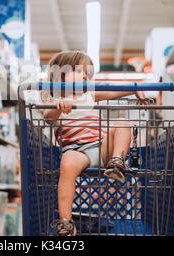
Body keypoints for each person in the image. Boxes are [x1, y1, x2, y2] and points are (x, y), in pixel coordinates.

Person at [41, 50, 146, 236]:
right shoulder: (55, 100)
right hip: (78, 152)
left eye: (87, 74)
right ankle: (66, 222)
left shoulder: (88, 95)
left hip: (101, 146)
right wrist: (59, 107)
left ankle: (117, 162)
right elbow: (48, 118)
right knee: (67, 163)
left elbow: (110, 91)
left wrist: (133, 88)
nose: (84, 76)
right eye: (78, 70)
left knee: (123, 123)